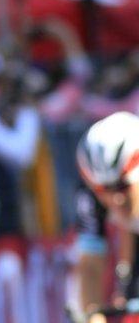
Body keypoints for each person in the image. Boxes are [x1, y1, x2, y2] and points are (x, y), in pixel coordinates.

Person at [75, 111, 139, 321]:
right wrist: (93, 318)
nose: (116, 200)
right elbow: (90, 267)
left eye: (122, 186)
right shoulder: (90, 193)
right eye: (105, 190)